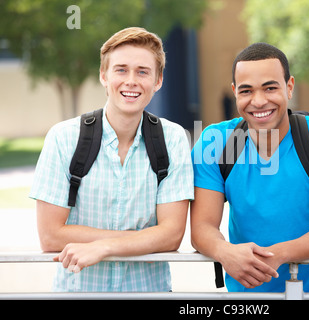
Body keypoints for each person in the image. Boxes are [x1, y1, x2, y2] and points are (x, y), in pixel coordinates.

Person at [29, 27, 194, 292]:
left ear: (158, 80)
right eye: (121, 70)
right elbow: (50, 236)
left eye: (142, 71)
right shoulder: (63, 138)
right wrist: (143, 239)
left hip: (149, 294)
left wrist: (105, 247)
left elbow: (172, 235)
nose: (131, 81)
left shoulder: (173, 139)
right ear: (104, 76)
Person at [190, 42, 309, 293]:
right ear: (234, 92)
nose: (258, 101)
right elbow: (201, 228)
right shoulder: (215, 141)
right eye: (246, 91)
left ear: (289, 87)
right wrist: (225, 252)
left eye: (270, 88)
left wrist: (276, 255)